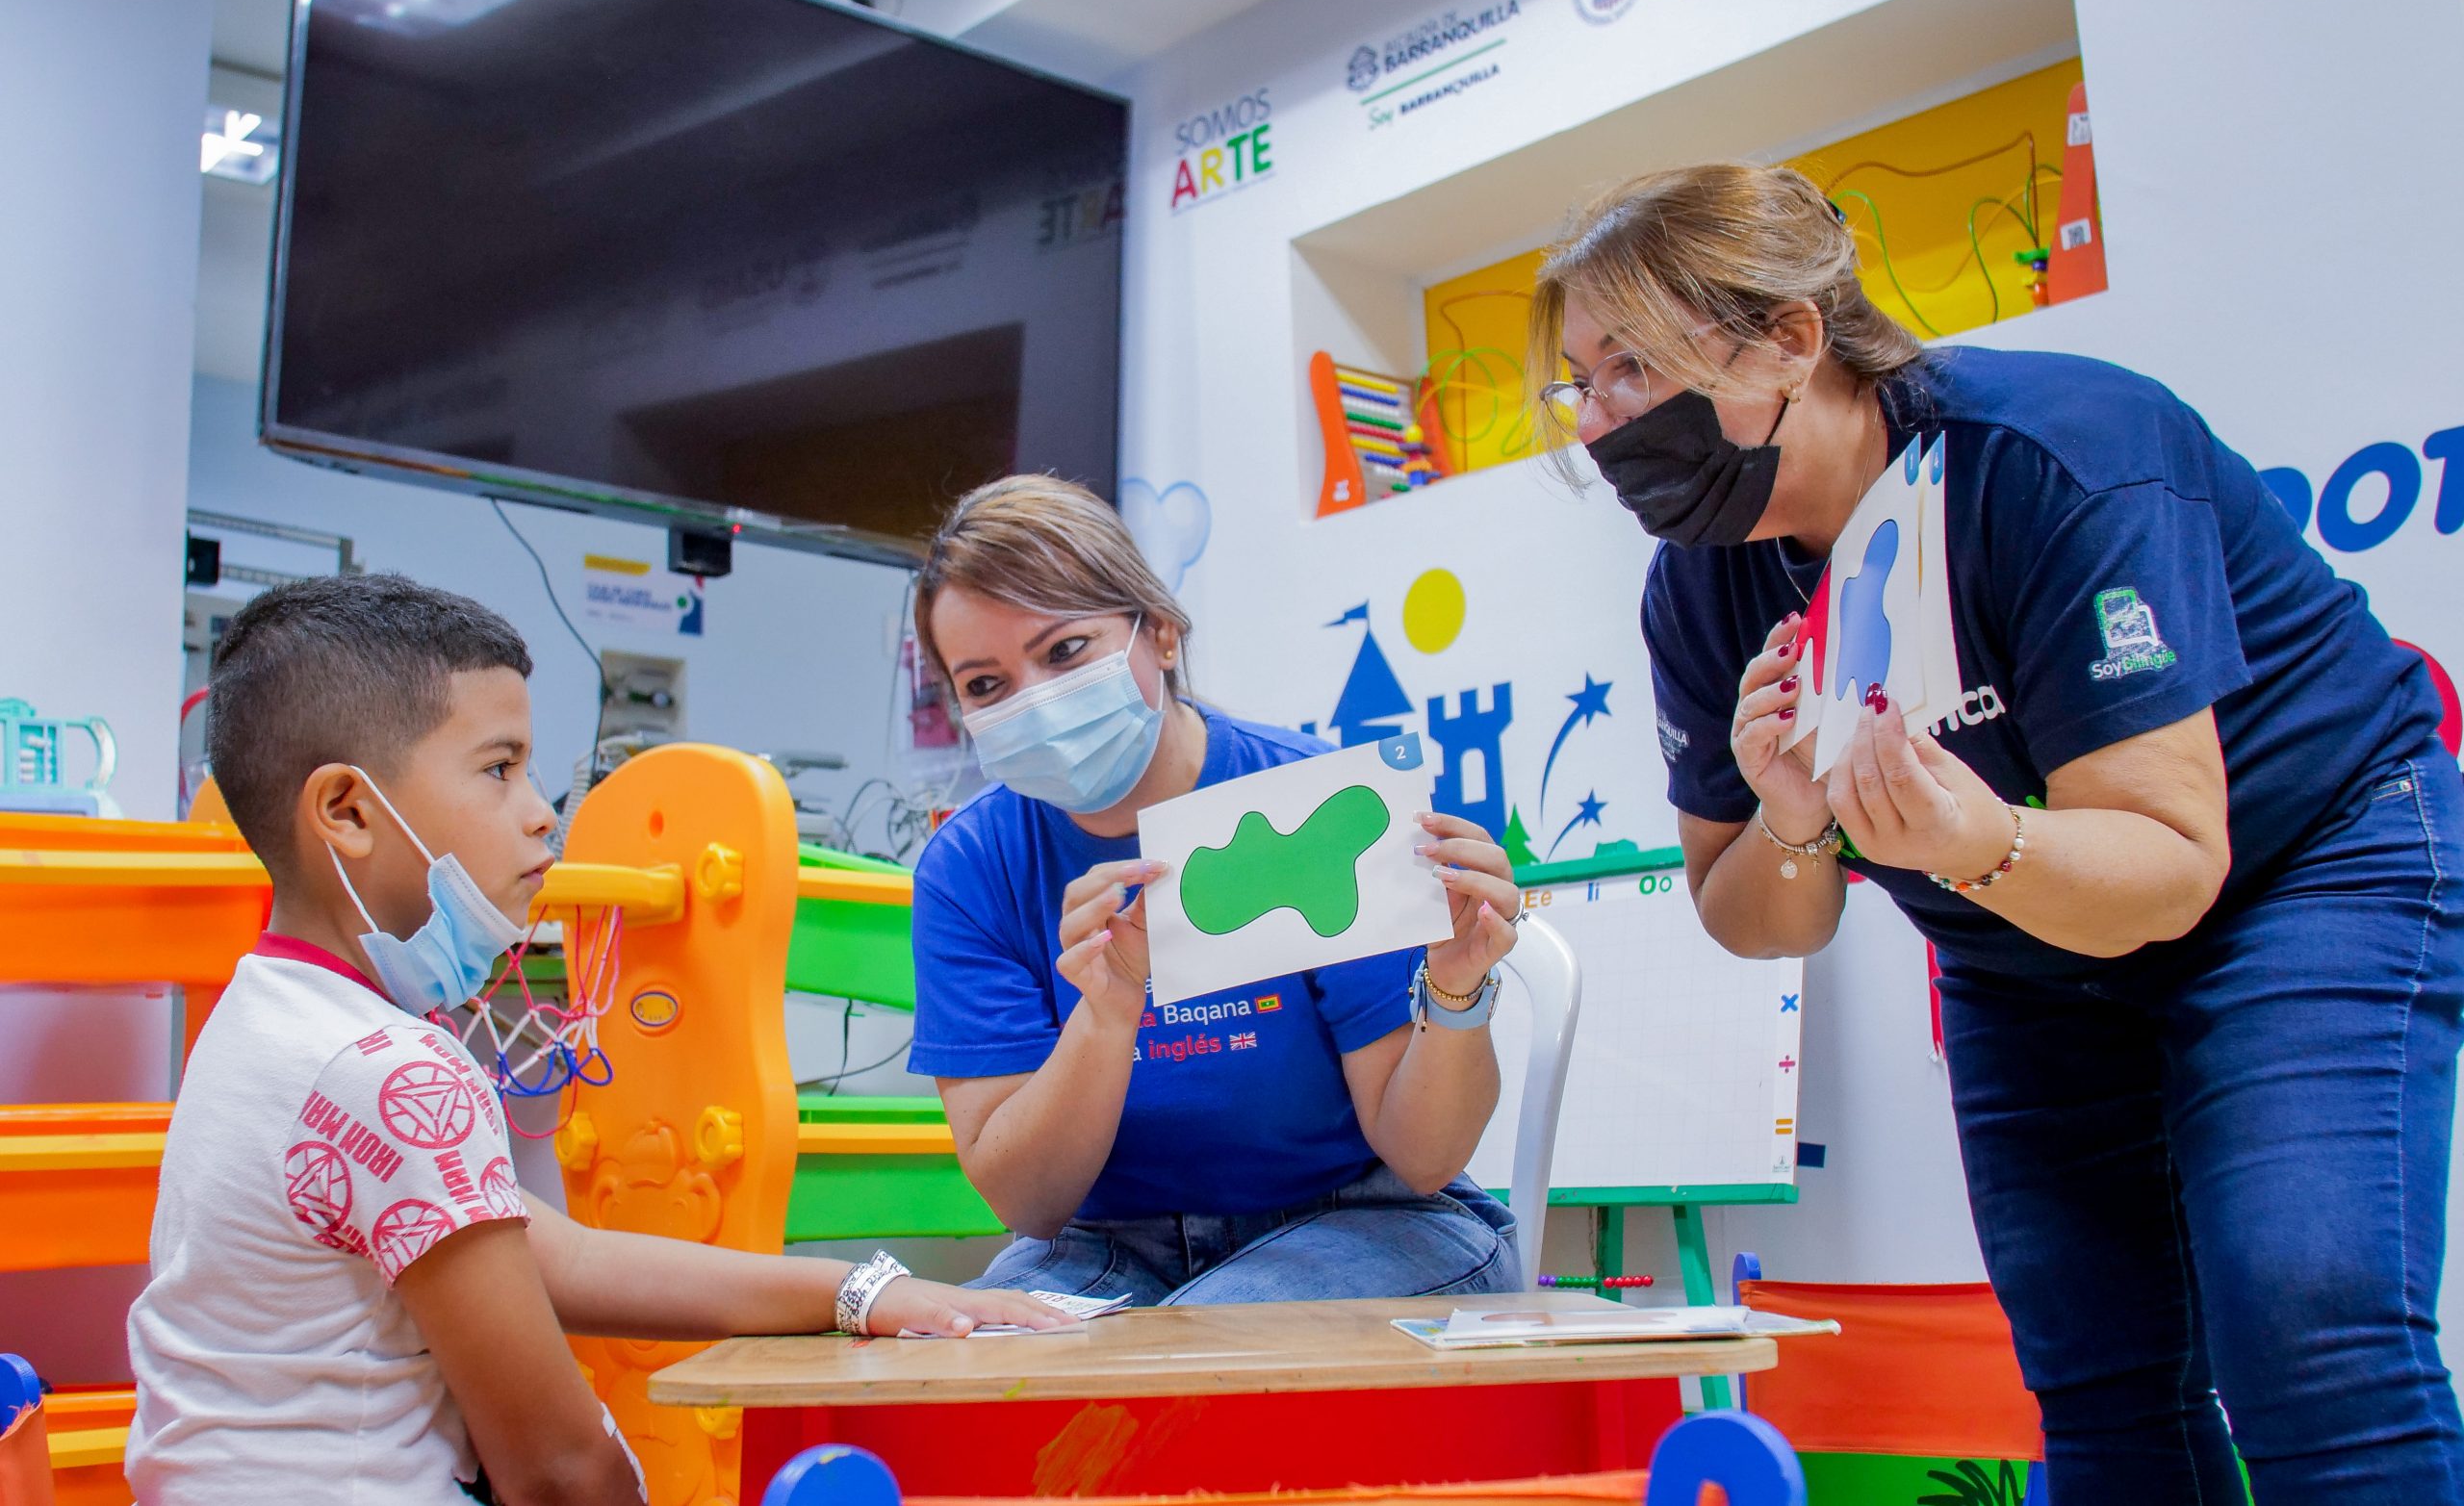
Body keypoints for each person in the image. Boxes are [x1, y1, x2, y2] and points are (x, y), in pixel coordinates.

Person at [1529, 162, 2464, 1503]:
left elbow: (2171, 860)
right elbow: (1747, 913)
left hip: (2306, 859)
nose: (1602, 422)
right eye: (1583, 384)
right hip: (2029, 950)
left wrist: (1979, 841)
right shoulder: (1701, 588)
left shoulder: (2053, 456)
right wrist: (1793, 825)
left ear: (1793, 336)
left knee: (2306, 1319)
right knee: (2097, 1366)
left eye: (1633, 367)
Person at [126, 575, 1067, 1506]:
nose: (542, 811)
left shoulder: (264, 1020)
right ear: (348, 811)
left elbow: (556, 1258)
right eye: (500, 769)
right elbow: (560, 1470)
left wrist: (858, 1293)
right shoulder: (388, 1074)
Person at [908, 475, 1524, 1305]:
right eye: (986, 685)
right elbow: (1030, 1203)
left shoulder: (1316, 801)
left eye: (1064, 651)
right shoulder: (969, 867)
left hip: (1369, 1218)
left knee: (1196, 1347)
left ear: (1158, 633)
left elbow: (1424, 1155)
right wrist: (1108, 1009)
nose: (1037, 702)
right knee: (981, 1355)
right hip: (1111, 1243)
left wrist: (1455, 988)